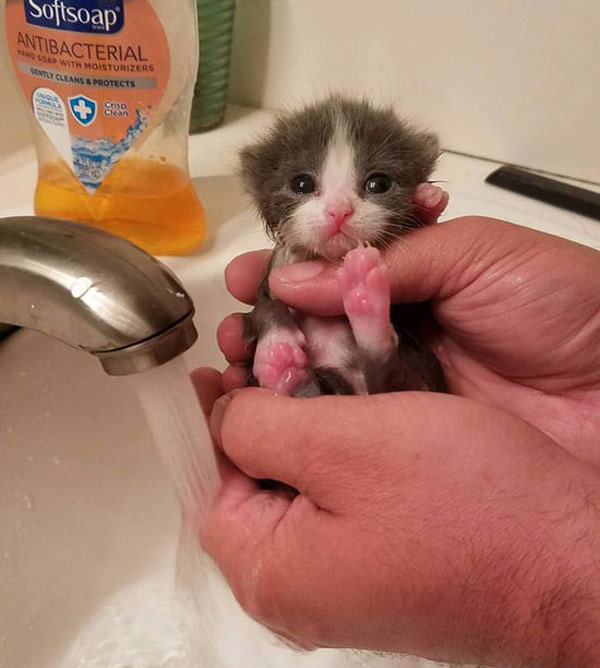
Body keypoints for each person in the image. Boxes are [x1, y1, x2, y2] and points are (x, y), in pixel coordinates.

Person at [192, 216, 600, 668]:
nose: (336, 214)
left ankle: (365, 350)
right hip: (367, 378)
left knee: (340, 390)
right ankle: (351, 356)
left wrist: (545, 595)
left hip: (385, 379)